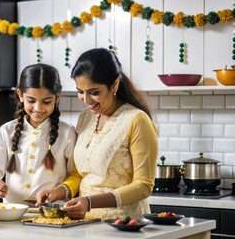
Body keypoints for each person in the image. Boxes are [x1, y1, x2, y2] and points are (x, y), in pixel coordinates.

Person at [36, 48, 158, 220]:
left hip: (124, 224)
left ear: (114, 85)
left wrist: (90, 202)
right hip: (84, 221)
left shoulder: (137, 120)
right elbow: (80, 173)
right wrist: (59, 191)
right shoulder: (86, 118)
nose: (86, 101)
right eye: (80, 91)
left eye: (94, 92)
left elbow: (143, 186)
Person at [0, 63, 77, 204]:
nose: (38, 108)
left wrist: (59, 192)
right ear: (20, 95)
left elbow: (74, 176)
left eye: (46, 101)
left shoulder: (67, 133)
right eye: (31, 100)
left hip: (51, 213)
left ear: (58, 96)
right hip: (12, 213)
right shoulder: (7, 131)